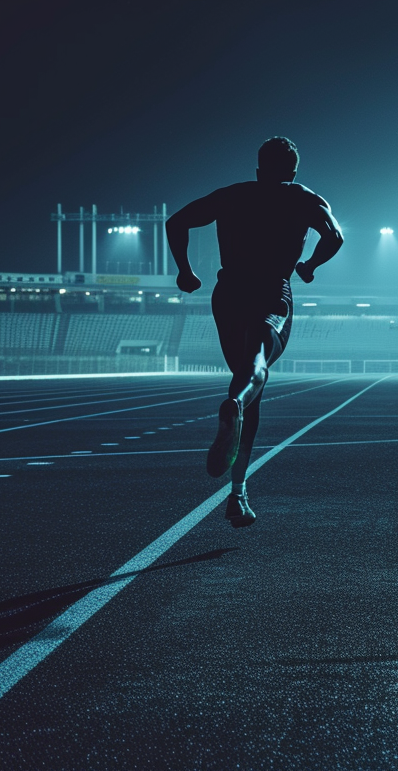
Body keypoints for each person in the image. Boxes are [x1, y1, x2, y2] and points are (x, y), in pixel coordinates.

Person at [166, 136, 344, 527]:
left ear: (259, 169)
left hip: (228, 291)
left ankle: (238, 494)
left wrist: (185, 269)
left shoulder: (232, 195)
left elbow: (176, 221)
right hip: (271, 289)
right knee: (257, 367)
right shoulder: (304, 198)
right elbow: (335, 237)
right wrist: (310, 265)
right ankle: (237, 466)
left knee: (244, 373)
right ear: (294, 173)